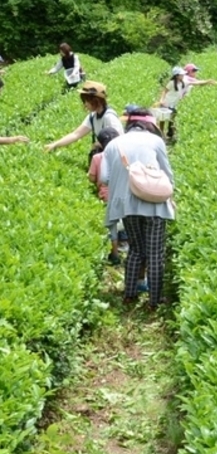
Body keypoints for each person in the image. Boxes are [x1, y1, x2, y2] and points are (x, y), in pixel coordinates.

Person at [99, 107, 174, 307]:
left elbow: (103, 178)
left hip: (127, 206)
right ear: (149, 124)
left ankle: (129, 294)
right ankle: (154, 300)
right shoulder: (156, 141)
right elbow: (167, 174)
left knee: (136, 249)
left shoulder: (113, 145)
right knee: (155, 252)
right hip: (154, 203)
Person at [87, 127, 128, 265]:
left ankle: (115, 254)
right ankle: (127, 247)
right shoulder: (123, 155)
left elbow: (92, 178)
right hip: (123, 194)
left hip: (106, 195)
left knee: (112, 226)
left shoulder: (97, 157)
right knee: (125, 221)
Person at [44, 81, 123, 152]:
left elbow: (120, 141)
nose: (85, 104)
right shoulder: (93, 117)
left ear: (96, 101)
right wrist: (55, 145)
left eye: (86, 101)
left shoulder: (109, 117)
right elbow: (76, 134)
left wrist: (99, 144)